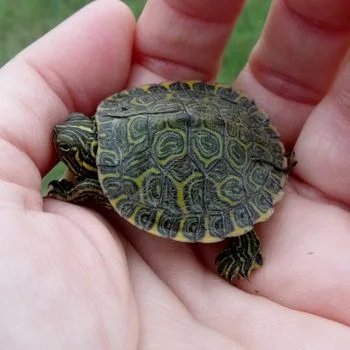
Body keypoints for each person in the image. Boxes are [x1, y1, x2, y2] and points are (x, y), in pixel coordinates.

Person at [1, 0, 349, 347]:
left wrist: (67, 190)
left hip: (226, 146)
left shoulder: (102, 163)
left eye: (70, 148)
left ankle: (245, 240)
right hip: (218, 124)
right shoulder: (117, 112)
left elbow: (90, 186)